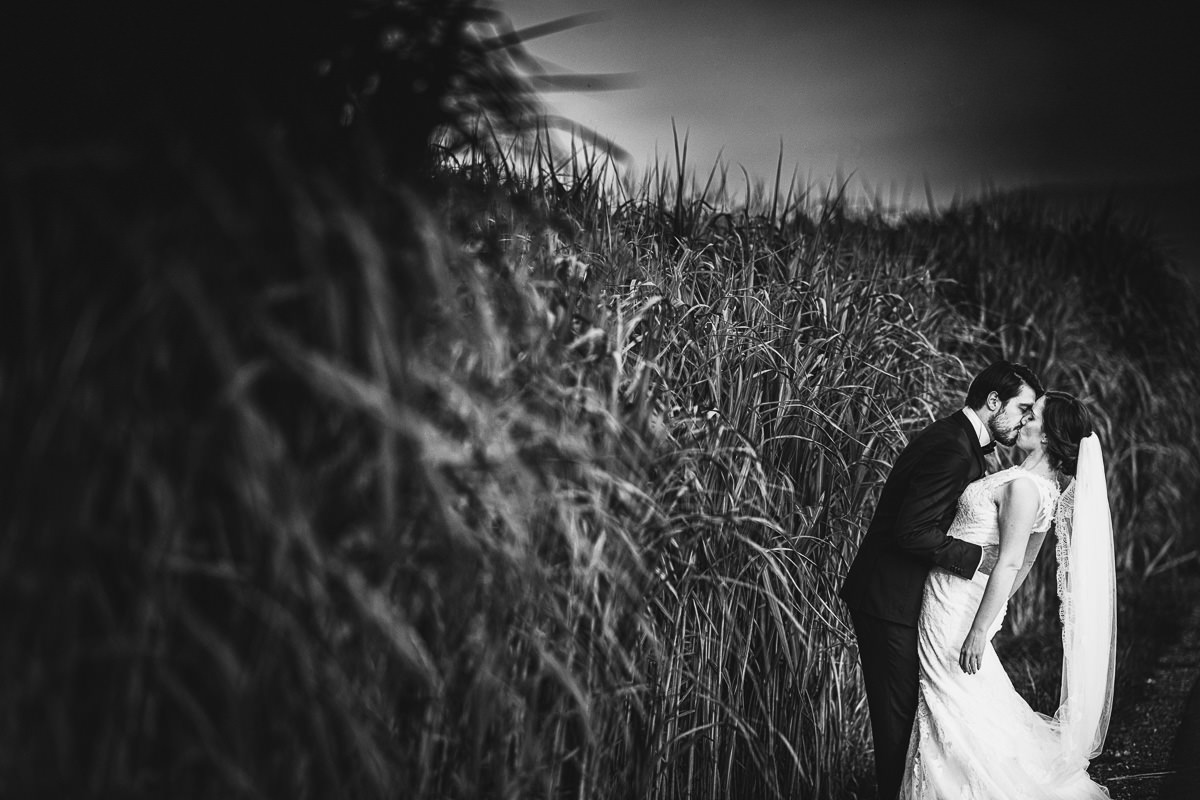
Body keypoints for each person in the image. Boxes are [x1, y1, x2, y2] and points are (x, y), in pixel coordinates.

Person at [840, 361, 1043, 800]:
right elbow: (911, 531)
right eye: (1022, 408)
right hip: (888, 600)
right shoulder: (953, 447)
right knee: (899, 725)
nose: (1026, 419)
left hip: (905, 597)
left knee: (917, 720)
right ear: (993, 402)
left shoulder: (961, 441)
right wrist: (980, 558)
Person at [900, 391, 1115, 798]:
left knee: (949, 700)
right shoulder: (1036, 485)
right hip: (960, 597)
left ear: (1048, 436)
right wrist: (992, 612)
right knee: (959, 700)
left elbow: (1014, 564)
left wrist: (981, 628)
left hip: (956, 605)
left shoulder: (1024, 488)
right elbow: (1024, 564)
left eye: (1031, 415)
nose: (1022, 420)